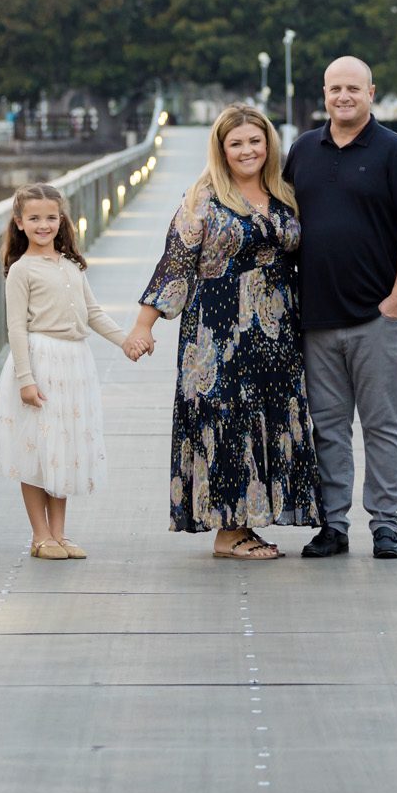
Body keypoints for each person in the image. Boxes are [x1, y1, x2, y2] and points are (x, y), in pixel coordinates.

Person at [125, 105, 321, 560]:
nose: (247, 150)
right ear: (221, 148)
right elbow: (175, 263)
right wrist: (143, 326)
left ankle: (247, 525)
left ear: (268, 144)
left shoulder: (285, 193)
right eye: (236, 143)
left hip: (276, 331)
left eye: (255, 141)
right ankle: (227, 533)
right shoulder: (203, 199)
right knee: (225, 420)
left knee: (267, 419)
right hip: (218, 331)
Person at [281, 57, 397, 560]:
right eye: (334, 89)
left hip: (377, 317)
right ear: (323, 93)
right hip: (315, 317)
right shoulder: (303, 149)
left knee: (383, 425)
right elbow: (277, 216)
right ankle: (334, 525)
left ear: (371, 92)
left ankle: (386, 525)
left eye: (353, 88)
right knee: (327, 427)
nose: (343, 96)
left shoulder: (395, 151)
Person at [0, 184, 124, 560]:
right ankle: (39, 535)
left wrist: (126, 341)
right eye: (34, 218)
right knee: (36, 450)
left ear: (60, 219)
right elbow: (16, 327)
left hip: (75, 364)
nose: (43, 224)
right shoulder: (21, 270)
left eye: (51, 217)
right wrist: (25, 378)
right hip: (41, 361)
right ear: (19, 223)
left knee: (62, 448)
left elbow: (93, 313)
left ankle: (60, 533)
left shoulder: (71, 267)